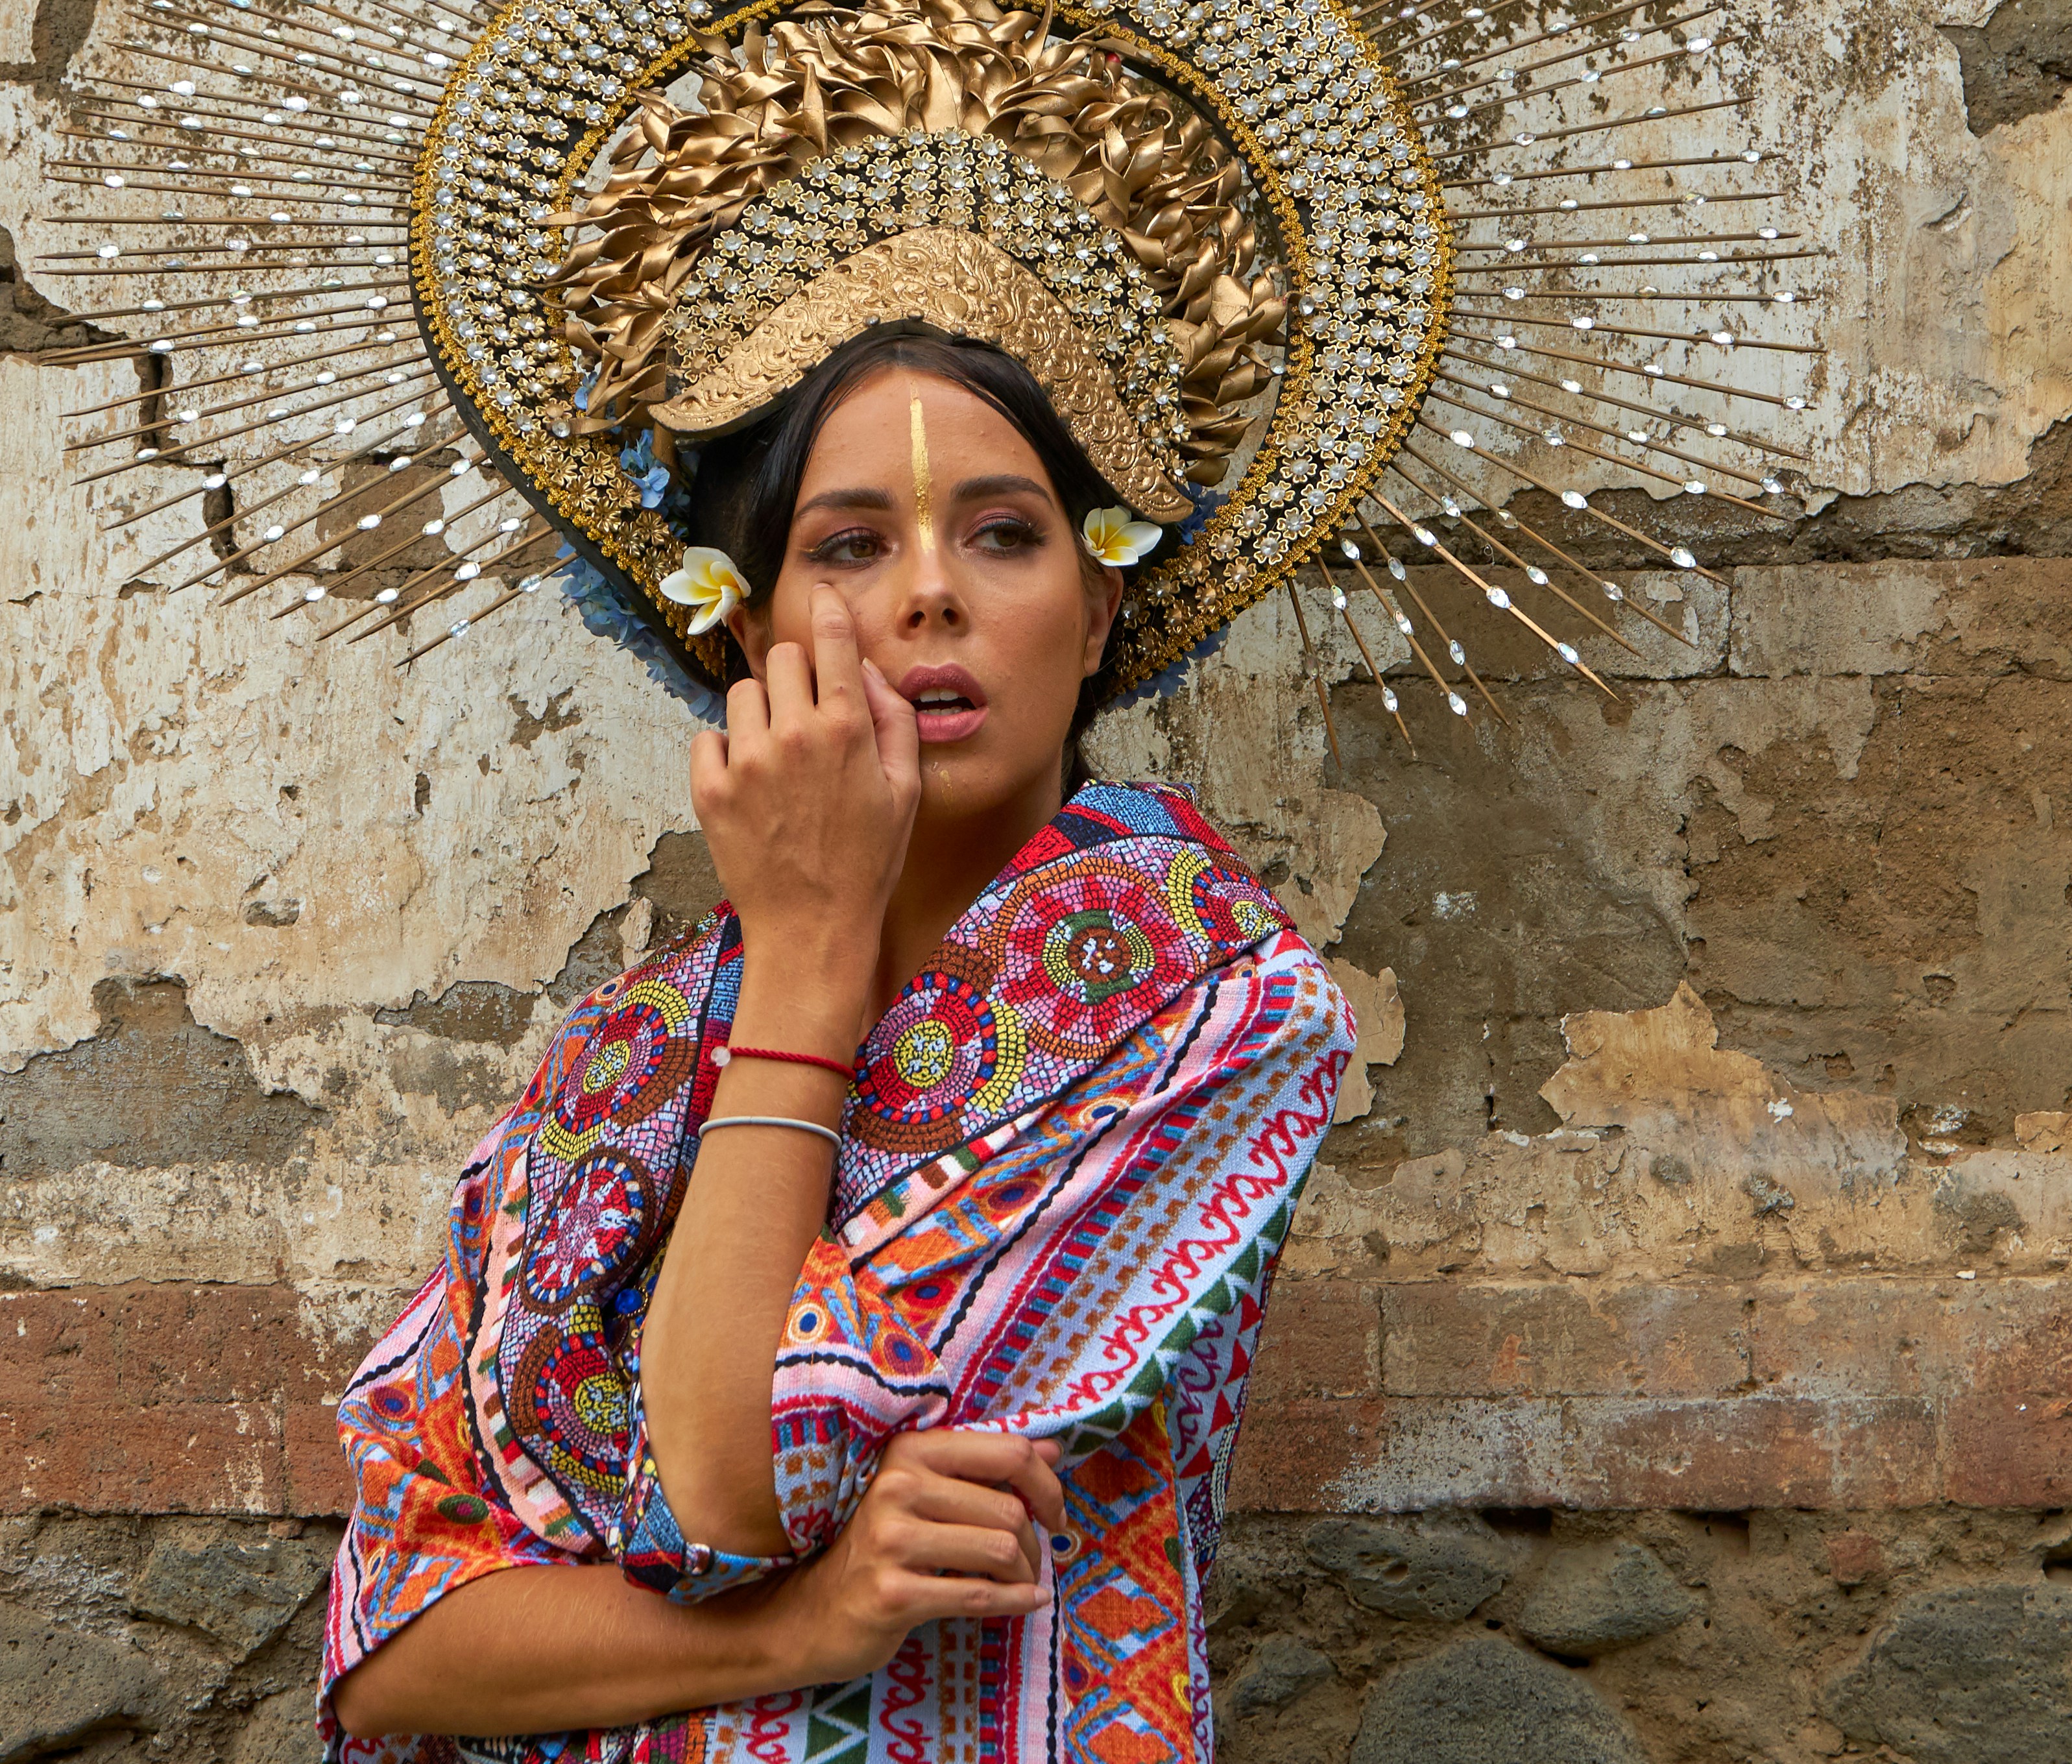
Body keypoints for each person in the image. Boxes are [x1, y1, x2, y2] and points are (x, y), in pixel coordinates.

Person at [313, 328, 1358, 1762]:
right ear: (754, 636)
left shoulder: (1207, 1002)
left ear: (1097, 606)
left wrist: (804, 957)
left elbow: (736, 1488)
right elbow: (392, 1643)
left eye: (1002, 535)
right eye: (850, 546)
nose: (929, 594)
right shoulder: (633, 1045)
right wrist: (800, 1630)